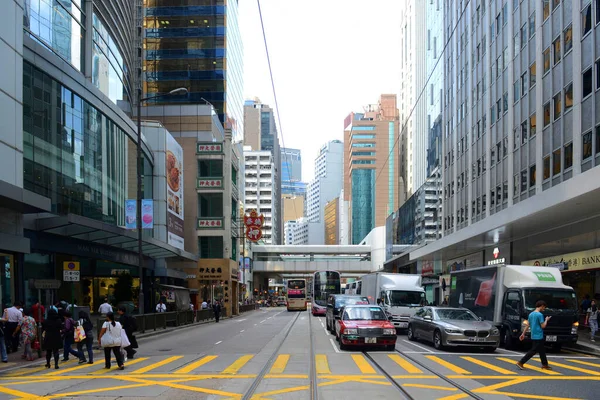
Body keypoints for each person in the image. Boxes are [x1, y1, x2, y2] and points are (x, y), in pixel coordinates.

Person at [517, 300, 552, 371]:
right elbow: (543, 326)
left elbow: (527, 325)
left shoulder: (531, 314)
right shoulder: (540, 315)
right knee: (533, 350)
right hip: (539, 335)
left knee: (542, 350)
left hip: (533, 335)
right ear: (542, 306)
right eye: (544, 307)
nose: (544, 309)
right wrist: (546, 320)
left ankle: (545, 364)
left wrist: (523, 334)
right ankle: (521, 362)